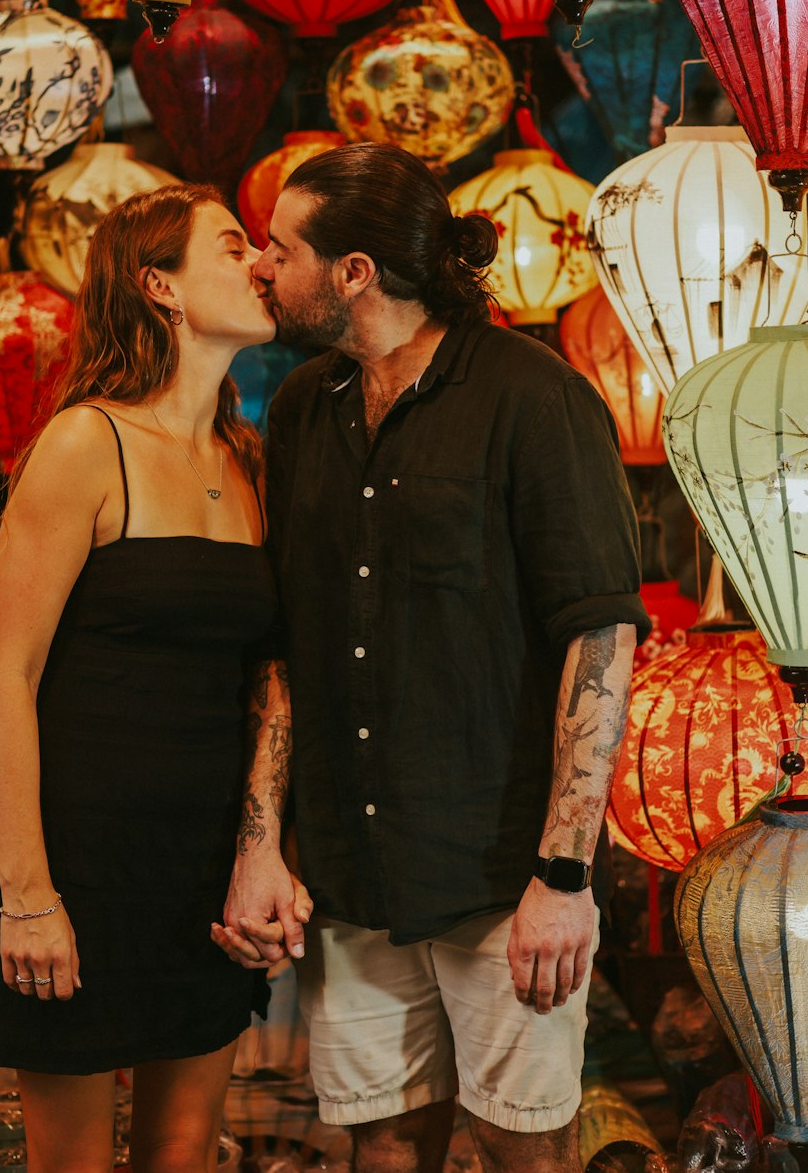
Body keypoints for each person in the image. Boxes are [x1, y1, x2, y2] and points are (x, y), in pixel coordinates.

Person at [212, 144, 652, 1173]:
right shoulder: (302, 406)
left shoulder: (532, 396)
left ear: (354, 271)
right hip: (353, 860)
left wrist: (562, 870)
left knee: (519, 1144)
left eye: (281, 247)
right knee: (381, 1144)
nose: (262, 267)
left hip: (501, 868)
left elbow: (599, 635)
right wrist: (261, 840)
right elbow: (287, 644)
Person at [0, 185, 311, 1173]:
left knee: (184, 1149)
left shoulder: (246, 458)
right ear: (159, 284)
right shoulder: (86, 441)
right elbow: (6, 675)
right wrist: (25, 891)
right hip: (78, 859)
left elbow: (266, 674)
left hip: (201, 862)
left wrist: (260, 847)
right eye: (233, 244)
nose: (259, 263)